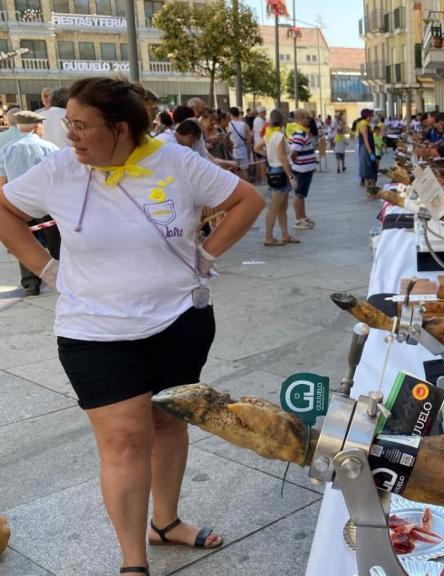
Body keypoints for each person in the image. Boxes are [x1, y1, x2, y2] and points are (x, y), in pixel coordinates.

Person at [0, 77, 264, 576]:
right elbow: (5, 209)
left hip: (180, 321)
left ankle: (165, 522)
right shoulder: (59, 169)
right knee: (123, 439)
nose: (71, 134)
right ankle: (133, 563)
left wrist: (205, 255)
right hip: (93, 331)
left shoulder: (177, 162)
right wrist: (46, 268)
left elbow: (246, 201)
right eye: (69, 123)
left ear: (120, 128)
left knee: (168, 421)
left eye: (82, 125)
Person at [0, 110, 60, 296]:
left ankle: (30, 282)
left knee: (25, 239)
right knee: (55, 240)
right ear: (37, 127)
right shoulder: (49, 147)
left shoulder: (7, 149)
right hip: (47, 202)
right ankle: (61, 278)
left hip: (17, 202)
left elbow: (2, 180)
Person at [254, 109, 299, 246]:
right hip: (281, 171)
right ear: (282, 120)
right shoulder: (278, 135)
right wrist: (291, 177)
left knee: (282, 207)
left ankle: (285, 235)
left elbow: (256, 147)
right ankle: (269, 237)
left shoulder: (269, 134)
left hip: (274, 169)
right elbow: (282, 158)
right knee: (275, 207)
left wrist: (268, 155)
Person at [288, 109, 318, 228]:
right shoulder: (300, 133)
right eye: (307, 118)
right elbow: (294, 152)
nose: (309, 120)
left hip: (305, 168)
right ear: (300, 119)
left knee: (302, 194)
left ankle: (303, 216)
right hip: (301, 169)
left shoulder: (302, 132)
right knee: (299, 194)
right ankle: (298, 219)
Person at [227, 107, 252, 182]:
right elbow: (249, 141)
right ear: (238, 114)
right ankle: (247, 188)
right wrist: (249, 151)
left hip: (233, 150)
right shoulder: (244, 125)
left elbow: (227, 139)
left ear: (230, 114)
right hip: (243, 149)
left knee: (236, 171)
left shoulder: (228, 125)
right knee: (245, 171)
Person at [356, 108, 377, 188]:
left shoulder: (366, 124)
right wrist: (370, 153)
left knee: (369, 169)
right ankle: (369, 190)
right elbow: (366, 140)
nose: (371, 118)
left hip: (367, 148)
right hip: (366, 149)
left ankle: (370, 190)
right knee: (368, 169)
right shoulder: (364, 125)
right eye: (370, 116)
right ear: (367, 116)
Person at [252, 106, 268, 183]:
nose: (265, 113)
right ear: (261, 112)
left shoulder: (256, 120)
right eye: (264, 112)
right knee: (262, 161)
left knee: (258, 160)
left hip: (257, 141)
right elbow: (262, 132)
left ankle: (259, 177)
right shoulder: (260, 121)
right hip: (260, 143)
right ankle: (263, 177)